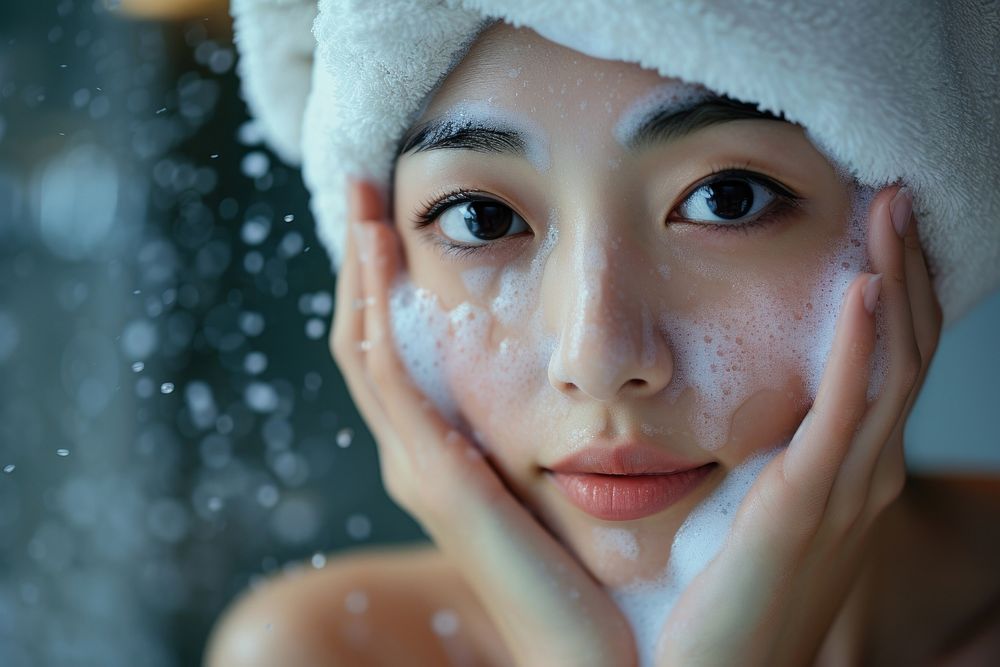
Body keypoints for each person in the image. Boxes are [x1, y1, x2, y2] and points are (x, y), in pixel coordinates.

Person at [202, 2, 1000, 665]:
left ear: (923, 234)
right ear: (378, 276)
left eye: (727, 198)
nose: (598, 356)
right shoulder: (325, 651)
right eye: (483, 218)